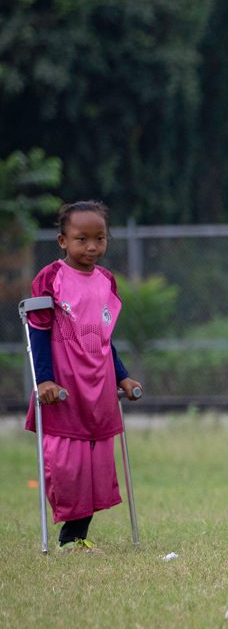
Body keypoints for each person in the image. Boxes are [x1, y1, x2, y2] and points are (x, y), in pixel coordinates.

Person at [25, 201, 143, 552]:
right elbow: (38, 331)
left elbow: (104, 336)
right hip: (63, 382)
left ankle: (77, 537)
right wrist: (43, 379)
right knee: (67, 464)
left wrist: (122, 377)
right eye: (82, 239)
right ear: (62, 240)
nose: (92, 247)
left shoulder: (106, 279)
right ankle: (68, 537)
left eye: (100, 239)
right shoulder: (50, 277)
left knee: (96, 462)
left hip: (99, 383)